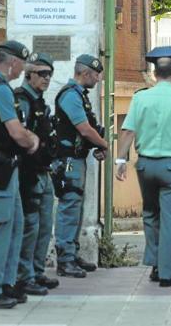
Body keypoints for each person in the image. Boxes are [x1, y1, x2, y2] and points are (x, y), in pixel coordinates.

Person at [115, 46, 171, 287]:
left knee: (150, 214)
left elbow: (127, 130)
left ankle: (155, 263)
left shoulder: (141, 98)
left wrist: (121, 160)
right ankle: (167, 273)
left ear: (155, 75)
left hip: (145, 166)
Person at [0, 40, 40, 309]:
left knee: (14, 226)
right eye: (23, 63)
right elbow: (15, 131)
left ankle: (5, 283)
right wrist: (32, 140)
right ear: (13, 62)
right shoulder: (0, 89)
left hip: (6, 167)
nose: (24, 68)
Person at [53, 54, 108, 278]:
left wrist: (96, 144)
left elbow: (87, 129)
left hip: (76, 159)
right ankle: (65, 260)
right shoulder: (70, 96)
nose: (97, 80)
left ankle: (71, 255)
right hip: (68, 160)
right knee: (69, 207)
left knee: (76, 207)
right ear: (85, 73)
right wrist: (103, 144)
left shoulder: (79, 96)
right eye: (96, 75)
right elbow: (84, 128)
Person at [14, 53, 60, 296]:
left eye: (49, 74)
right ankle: (24, 276)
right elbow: (18, 134)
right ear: (28, 74)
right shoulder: (21, 100)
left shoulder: (40, 102)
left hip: (43, 171)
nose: (47, 78)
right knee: (30, 225)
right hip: (28, 172)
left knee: (44, 224)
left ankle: (37, 270)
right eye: (42, 74)